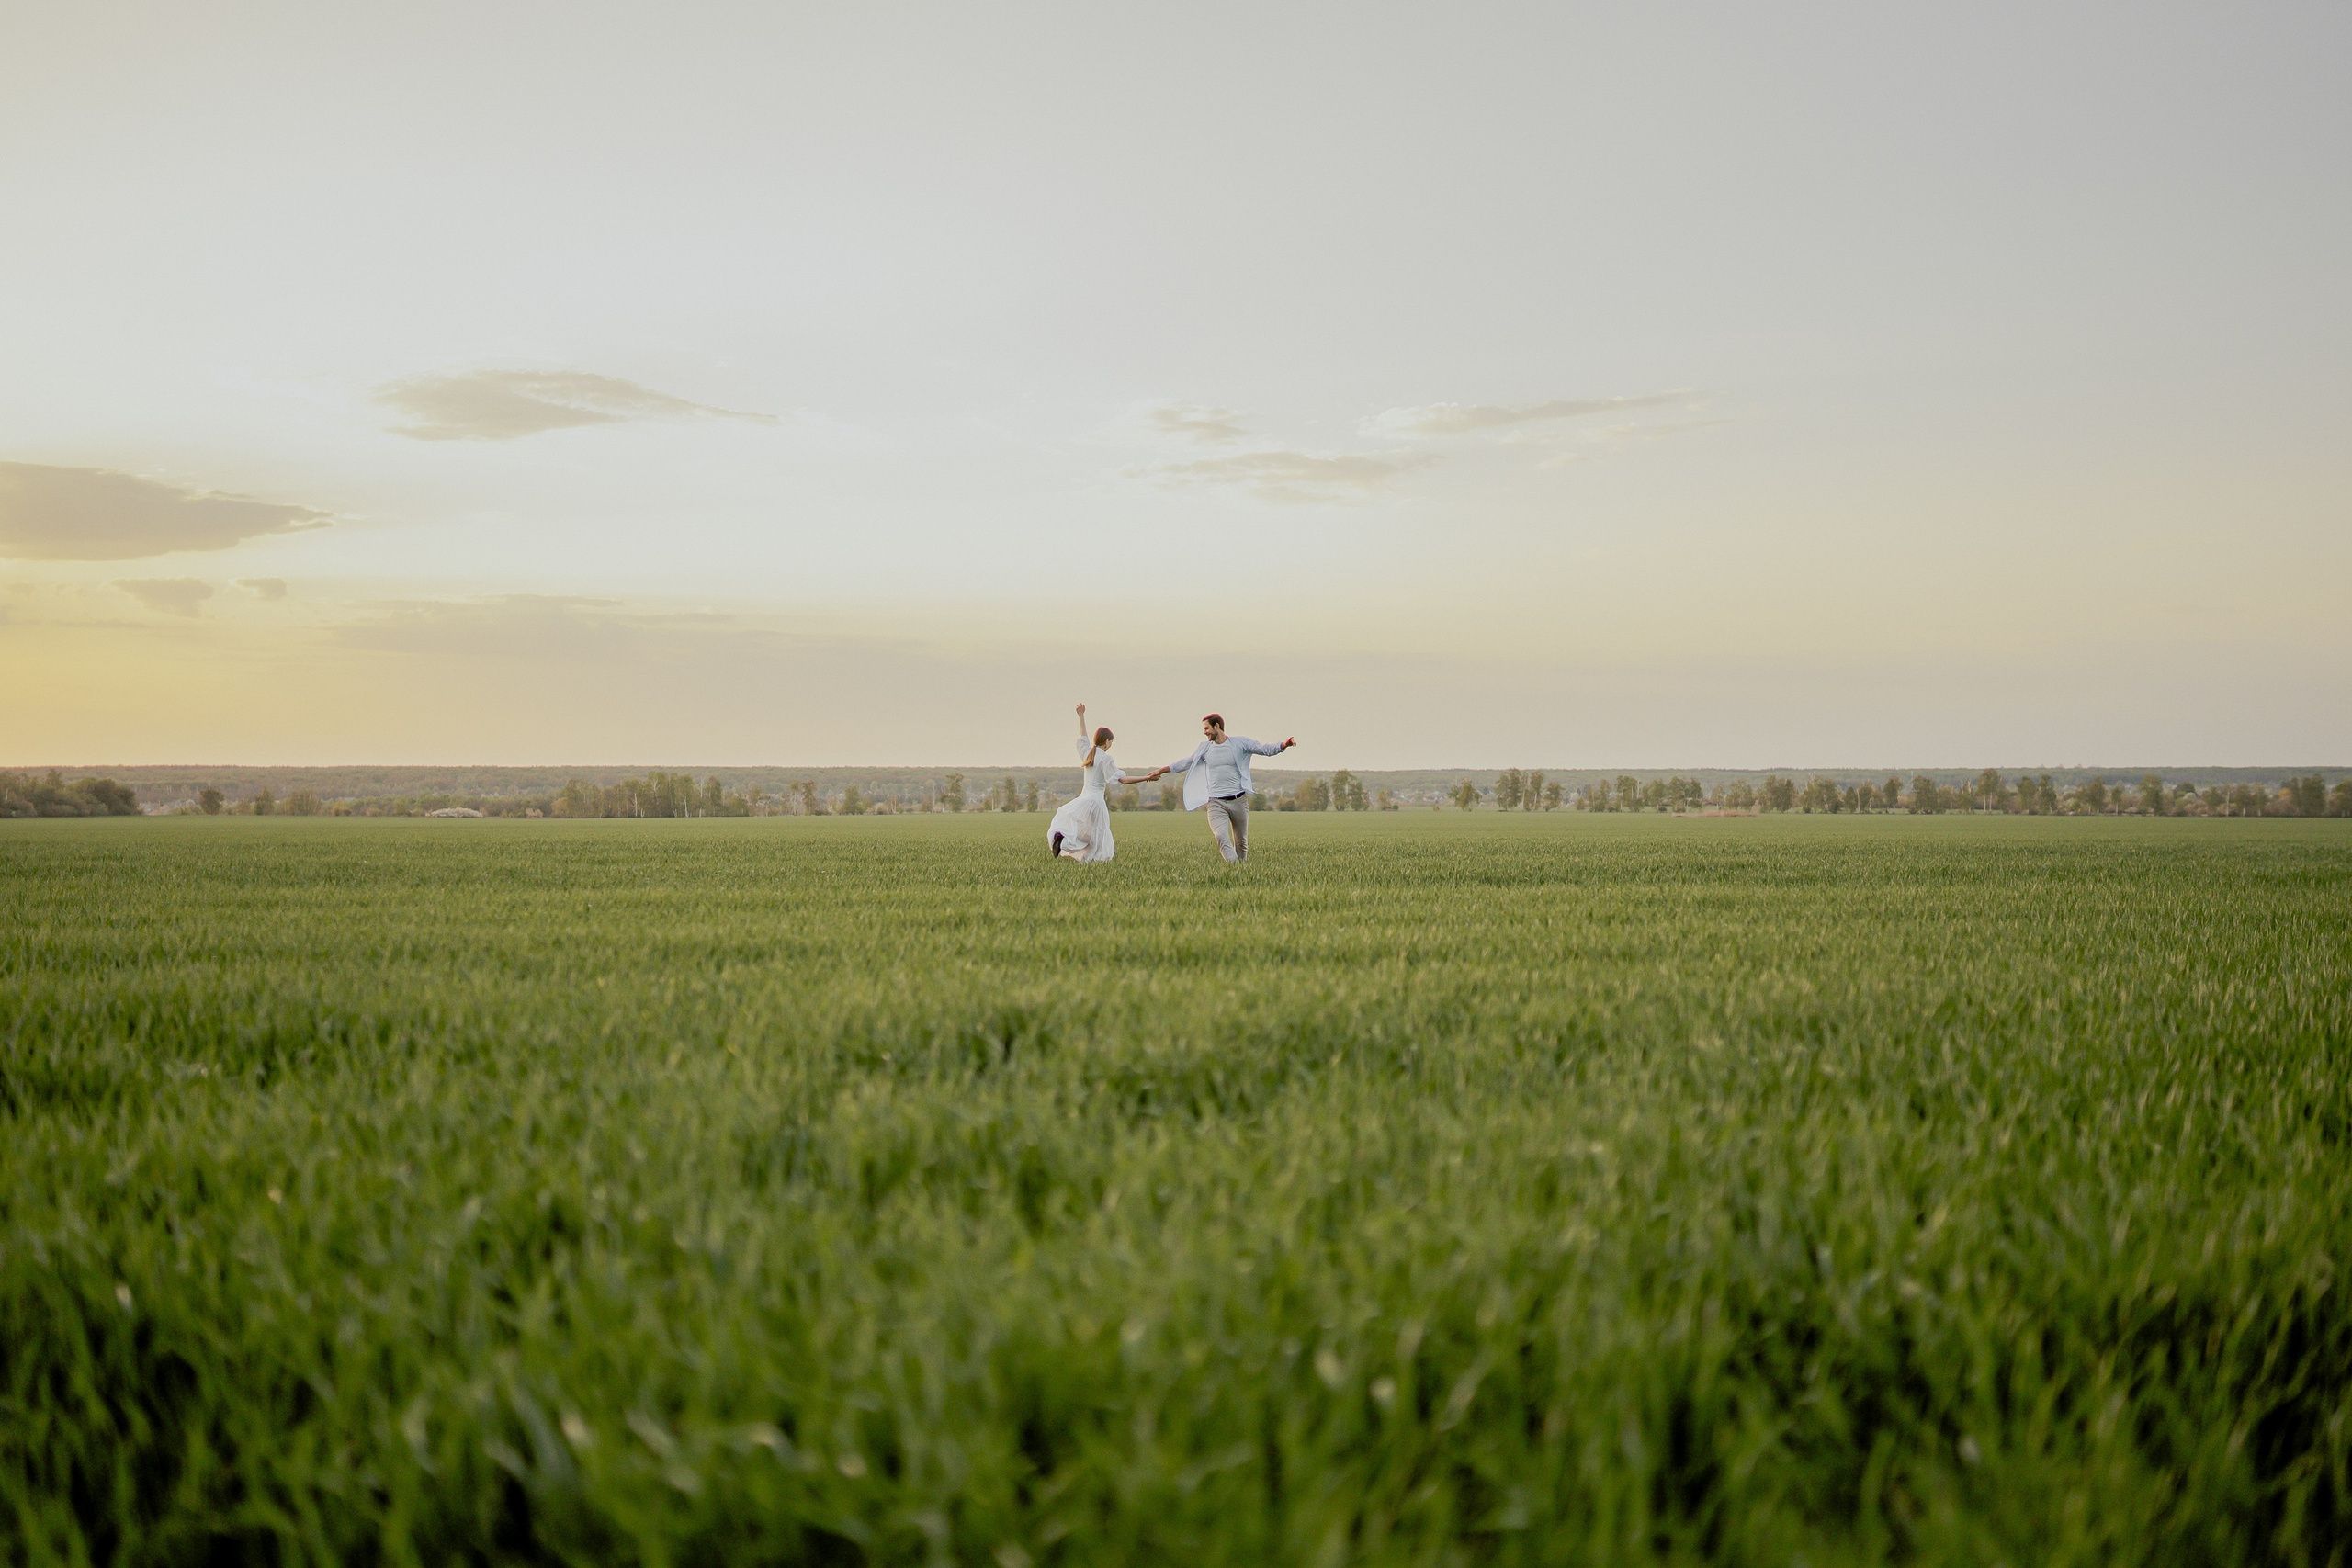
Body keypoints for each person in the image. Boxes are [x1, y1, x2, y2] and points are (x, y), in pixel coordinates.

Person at [1151, 712, 1295, 863]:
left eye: (1207, 728)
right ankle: (1235, 870)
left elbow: (1263, 749)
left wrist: (1283, 745)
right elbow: (1185, 762)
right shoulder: (1204, 748)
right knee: (1220, 836)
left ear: (1217, 726)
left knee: (1241, 843)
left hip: (1238, 800)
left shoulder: (1239, 743)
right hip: (1215, 803)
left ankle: (1242, 874)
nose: (1205, 732)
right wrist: (1161, 770)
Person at [1048, 704, 1158, 863]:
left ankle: (1063, 841)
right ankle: (1093, 860)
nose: (1111, 745)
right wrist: (1146, 777)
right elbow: (1122, 780)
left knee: (1083, 830)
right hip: (1096, 803)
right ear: (1106, 741)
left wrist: (1081, 715)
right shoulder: (1106, 759)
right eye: (1111, 742)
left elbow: (1083, 736)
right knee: (1098, 835)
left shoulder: (1089, 754)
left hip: (1083, 800)